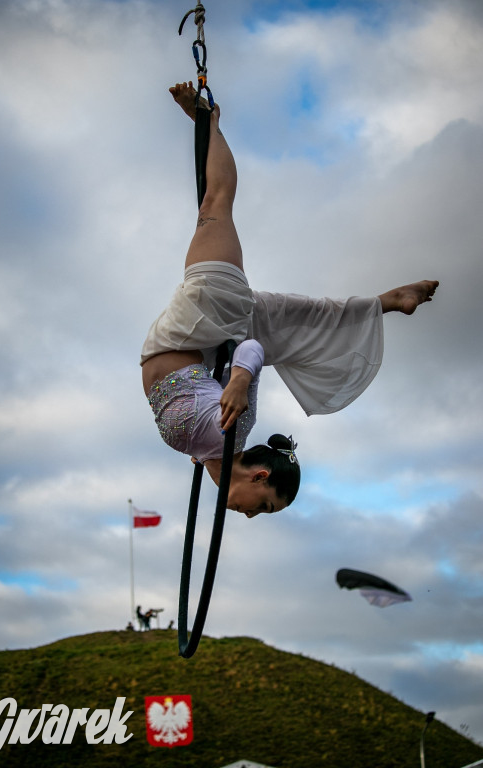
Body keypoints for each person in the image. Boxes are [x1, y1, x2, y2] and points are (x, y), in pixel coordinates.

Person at [141, 82, 439, 518]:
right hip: (209, 307)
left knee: (298, 318)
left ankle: (384, 303)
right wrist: (239, 381)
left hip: (196, 329)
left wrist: (205, 449)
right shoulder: (233, 426)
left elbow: (207, 444)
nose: (251, 515)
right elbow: (251, 349)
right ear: (260, 476)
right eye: (264, 506)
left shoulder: (214, 452)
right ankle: (211, 120)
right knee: (215, 203)